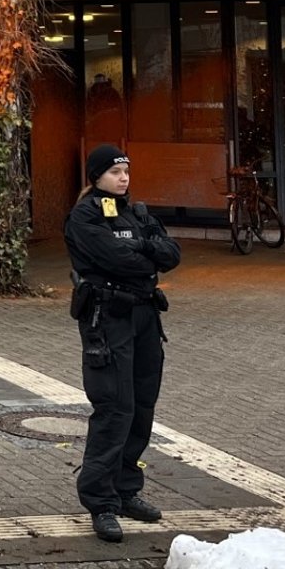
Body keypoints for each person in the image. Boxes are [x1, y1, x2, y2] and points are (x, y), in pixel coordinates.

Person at [64, 143, 181, 544]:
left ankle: (127, 489)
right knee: (115, 407)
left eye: (126, 171)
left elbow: (171, 254)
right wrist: (147, 252)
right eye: (115, 172)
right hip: (107, 319)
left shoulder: (137, 211)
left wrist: (146, 249)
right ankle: (101, 502)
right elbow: (120, 260)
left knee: (142, 404)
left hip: (145, 317)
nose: (124, 178)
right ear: (96, 176)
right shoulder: (84, 216)